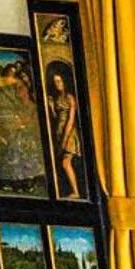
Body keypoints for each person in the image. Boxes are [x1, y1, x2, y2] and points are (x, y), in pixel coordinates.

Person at [45, 62, 83, 200]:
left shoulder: (69, 97)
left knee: (65, 163)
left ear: (64, 81)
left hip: (69, 133)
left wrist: (65, 137)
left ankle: (76, 192)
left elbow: (70, 120)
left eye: (59, 81)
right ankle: (71, 190)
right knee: (62, 163)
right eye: (55, 82)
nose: (57, 84)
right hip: (59, 131)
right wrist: (51, 107)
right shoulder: (58, 97)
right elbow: (56, 117)